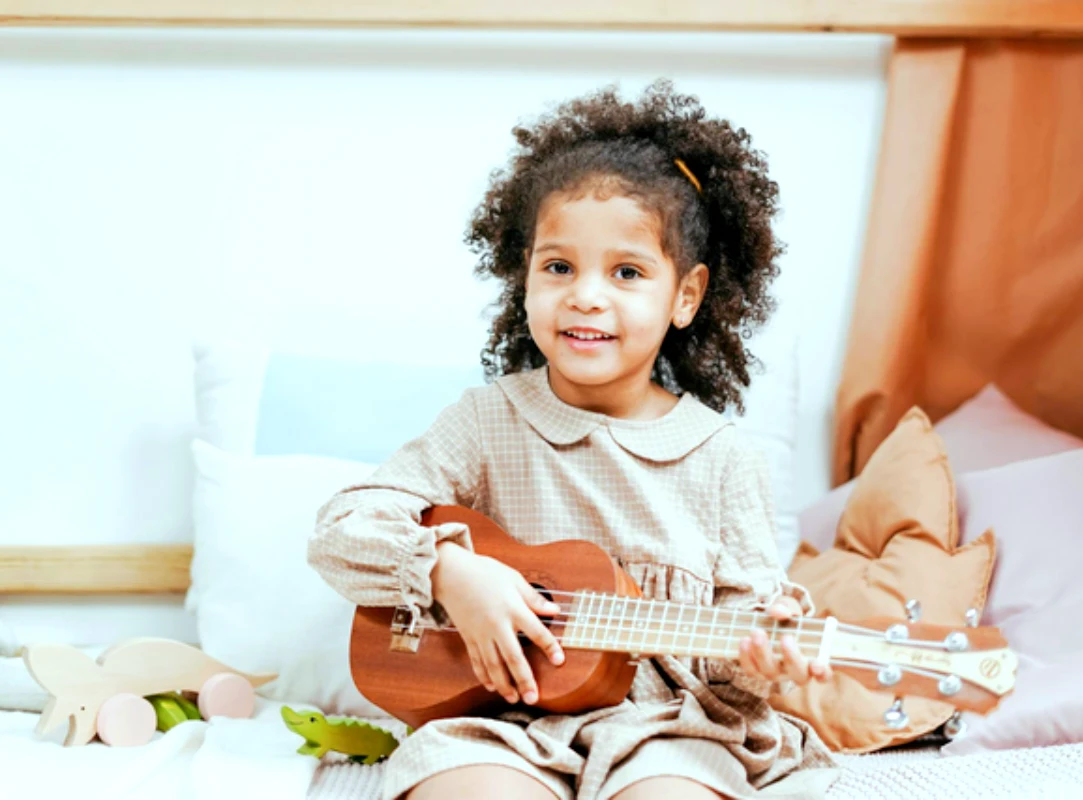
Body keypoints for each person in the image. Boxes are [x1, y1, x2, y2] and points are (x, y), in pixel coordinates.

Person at [308, 80, 838, 800]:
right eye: (559, 267)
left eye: (627, 272)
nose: (586, 295)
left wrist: (762, 656)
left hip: (671, 732)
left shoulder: (722, 458)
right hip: (503, 719)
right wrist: (451, 575)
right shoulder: (486, 422)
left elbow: (736, 651)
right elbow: (341, 529)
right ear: (523, 277)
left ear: (685, 295)